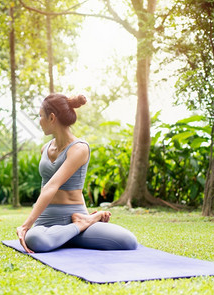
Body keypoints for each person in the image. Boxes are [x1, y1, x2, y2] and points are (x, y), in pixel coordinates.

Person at [16, 93, 138, 253]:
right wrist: (32, 226)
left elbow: (52, 185)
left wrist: (25, 225)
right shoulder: (45, 149)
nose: (39, 121)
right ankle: (77, 228)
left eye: (40, 116)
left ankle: (80, 224)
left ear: (52, 118)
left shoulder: (79, 148)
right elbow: (46, 185)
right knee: (35, 239)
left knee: (128, 241)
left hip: (75, 214)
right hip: (46, 220)